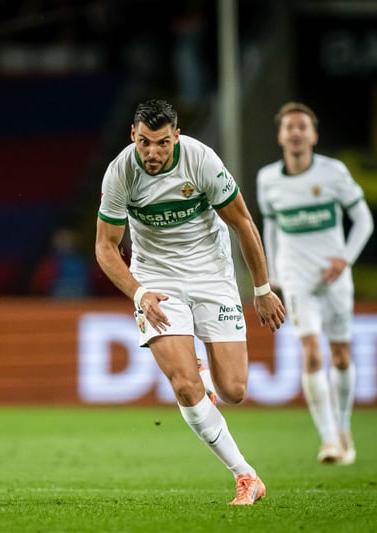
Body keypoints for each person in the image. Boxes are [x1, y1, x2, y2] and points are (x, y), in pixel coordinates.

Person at [95, 99, 285, 505]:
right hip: (156, 278)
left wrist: (262, 289)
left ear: (176, 136)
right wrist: (139, 292)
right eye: (145, 142)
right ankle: (246, 476)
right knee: (184, 385)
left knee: (234, 390)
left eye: (162, 143)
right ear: (133, 135)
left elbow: (242, 222)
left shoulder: (201, 161)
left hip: (211, 274)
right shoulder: (120, 172)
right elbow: (105, 247)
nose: (152, 152)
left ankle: (203, 371)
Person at [256, 102, 374, 465]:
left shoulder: (333, 172)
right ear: (280, 136)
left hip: (335, 278)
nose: (295, 133)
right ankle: (329, 441)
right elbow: (271, 226)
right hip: (296, 278)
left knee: (341, 356)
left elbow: (363, 220)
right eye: (289, 127)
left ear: (313, 135)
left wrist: (345, 259)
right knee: (310, 354)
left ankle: (344, 427)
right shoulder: (267, 179)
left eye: (301, 127)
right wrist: (272, 274)